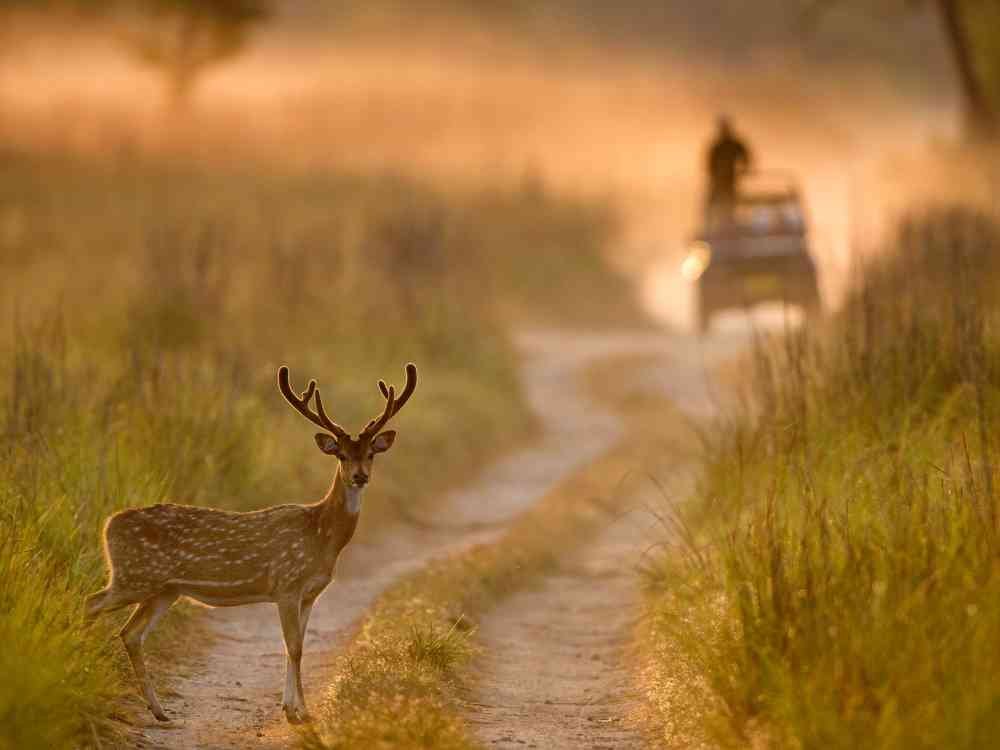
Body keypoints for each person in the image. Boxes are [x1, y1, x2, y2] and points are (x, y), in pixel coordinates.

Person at [705, 116, 752, 226]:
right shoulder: (717, 147)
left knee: (730, 201)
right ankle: (713, 224)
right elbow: (709, 165)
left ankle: (729, 222)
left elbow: (746, 157)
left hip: (730, 179)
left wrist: (744, 170)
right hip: (720, 181)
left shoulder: (733, 144)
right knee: (714, 202)